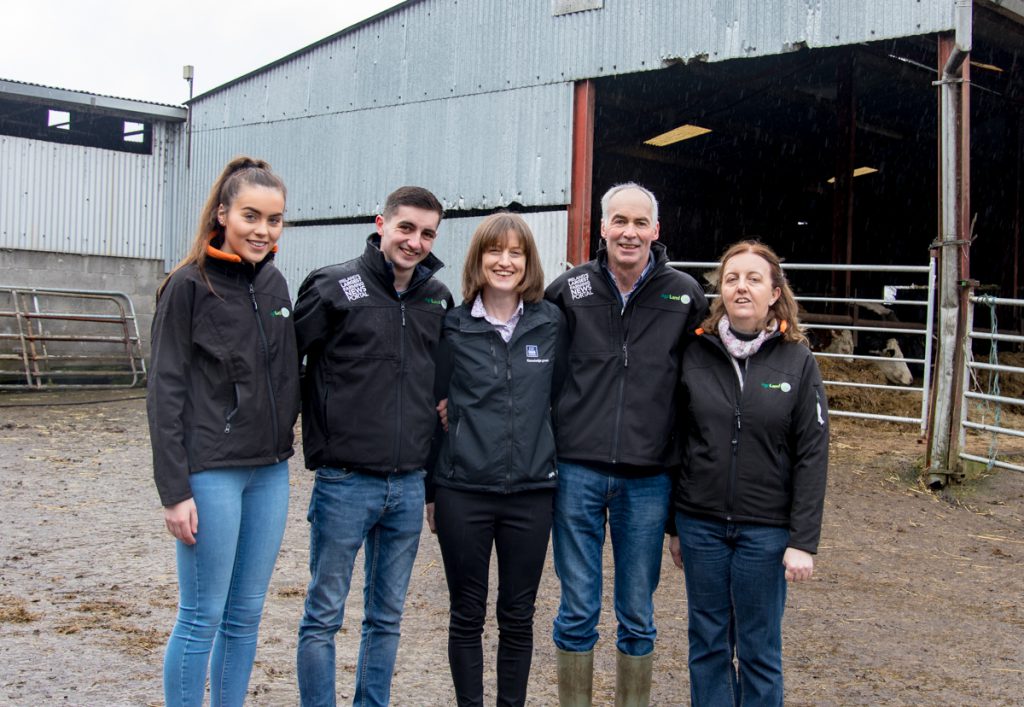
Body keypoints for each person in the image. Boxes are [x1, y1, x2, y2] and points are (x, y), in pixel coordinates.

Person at [544, 183, 707, 706]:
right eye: (620, 221)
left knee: (637, 611)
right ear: (603, 227)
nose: (629, 232)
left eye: (640, 223)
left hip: (649, 477)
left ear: (656, 231)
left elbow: (702, 390)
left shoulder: (683, 296)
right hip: (577, 471)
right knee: (577, 607)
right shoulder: (569, 291)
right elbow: (542, 374)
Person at [147, 156, 300, 707]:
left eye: (275, 219)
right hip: (211, 472)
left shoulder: (275, 284)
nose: (262, 230)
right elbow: (164, 392)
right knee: (201, 615)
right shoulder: (187, 286)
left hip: (270, 472)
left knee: (245, 614)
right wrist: (175, 491)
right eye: (251, 216)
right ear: (222, 214)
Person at [293, 186, 454, 707]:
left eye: (427, 233)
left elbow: (441, 387)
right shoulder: (333, 287)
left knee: (386, 617)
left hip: (407, 485)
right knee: (324, 614)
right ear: (381, 223)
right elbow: (285, 364)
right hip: (344, 480)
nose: (415, 242)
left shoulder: (437, 299)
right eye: (406, 228)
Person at [669, 240, 829, 706]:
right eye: (733, 278)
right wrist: (675, 526)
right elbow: (678, 439)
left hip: (766, 530)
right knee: (708, 643)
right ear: (721, 289)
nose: (742, 287)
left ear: (774, 292)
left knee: (759, 647)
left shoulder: (796, 360)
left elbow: (812, 453)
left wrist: (803, 540)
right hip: (701, 524)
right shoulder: (697, 351)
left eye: (754, 279)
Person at [429, 213, 567, 707]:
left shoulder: (550, 323)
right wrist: (431, 491)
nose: (504, 262)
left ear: (529, 262)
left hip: (531, 493)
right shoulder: (455, 325)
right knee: (466, 613)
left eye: (516, 253)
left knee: (518, 614)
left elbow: (561, 396)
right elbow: (435, 401)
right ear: (479, 258)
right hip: (463, 490)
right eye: (495, 251)